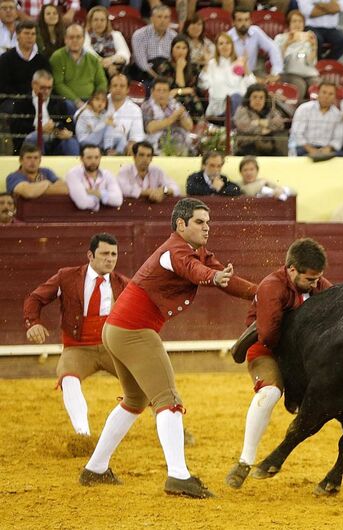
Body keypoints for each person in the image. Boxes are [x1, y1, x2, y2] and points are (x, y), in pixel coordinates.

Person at [79, 198, 257, 498]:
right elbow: (194, 270)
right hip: (134, 330)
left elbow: (224, 280)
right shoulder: (175, 250)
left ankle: (95, 468)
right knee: (168, 398)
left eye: (208, 222)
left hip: (118, 329)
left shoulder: (194, 250)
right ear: (181, 224)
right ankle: (178, 475)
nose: (207, 227)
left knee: (134, 401)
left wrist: (260, 294)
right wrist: (213, 276)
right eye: (200, 222)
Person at [225, 237, 343, 490]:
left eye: (317, 278)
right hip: (268, 351)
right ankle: (244, 461)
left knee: (339, 398)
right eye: (309, 279)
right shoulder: (271, 287)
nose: (314, 283)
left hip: (305, 356)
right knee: (269, 391)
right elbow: (268, 335)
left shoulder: (319, 285)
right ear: (291, 269)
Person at [23, 233, 129, 454]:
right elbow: (35, 298)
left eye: (114, 254)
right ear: (90, 255)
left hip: (113, 348)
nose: (110, 259)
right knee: (68, 378)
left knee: (146, 378)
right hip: (78, 348)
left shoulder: (123, 284)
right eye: (104, 254)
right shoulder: (67, 277)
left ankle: (169, 422)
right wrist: (33, 322)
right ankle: (83, 436)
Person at [11, 69, 78, 155]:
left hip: (55, 140)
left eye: (49, 88)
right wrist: (40, 130)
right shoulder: (22, 102)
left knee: (71, 142)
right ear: (33, 84)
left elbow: (68, 120)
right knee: (35, 137)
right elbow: (16, 127)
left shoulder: (58, 102)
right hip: (31, 140)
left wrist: (67, 131)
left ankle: (75, 167)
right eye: (42, 88)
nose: (46, 91)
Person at [50, 24, 107, 112]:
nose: (75, 40)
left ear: (83, 39)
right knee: (70, 108)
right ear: (65, 39)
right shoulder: (57, 57)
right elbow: (58, 84)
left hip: (90, 100)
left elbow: (102, 82)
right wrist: (77, 101)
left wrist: (96, 100)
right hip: (67, 101)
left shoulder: (93, 59)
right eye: (71, 37)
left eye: (78, 37)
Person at [200, 32, 257, 118]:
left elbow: (252, 85)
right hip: (219, 108)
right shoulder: (212, 64)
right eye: (221, 44)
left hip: (239, 106)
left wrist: (245, 66)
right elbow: (203, 85)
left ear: (232, 46)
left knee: (236, 97)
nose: (225, 46)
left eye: (227, 43)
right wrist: (206, 64)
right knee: (234, 98)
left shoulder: (240, 62)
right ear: (217, 47)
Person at [152, 35, 204, 119]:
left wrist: (177, 91)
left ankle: (199, 124)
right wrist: (179, 69)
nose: (181, 51)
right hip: (168, 99)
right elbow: (168, 89)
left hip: (187, 98)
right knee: (184, 99)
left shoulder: (194, 68)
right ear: (172, 49)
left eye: (184, 48)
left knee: (189, 98)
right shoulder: (164, 67)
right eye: (178, 47)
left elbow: (193, 89)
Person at [141, 77, 195, 156]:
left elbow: (189, 126)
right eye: (158, 90)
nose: (161, 93)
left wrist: (182, 118)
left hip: (180, 139)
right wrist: (174, 117)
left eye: (165, 91)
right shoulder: (147, 106)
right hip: (157, 142)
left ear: (169, 92)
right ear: (152, 92)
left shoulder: (175, 105)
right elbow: (151, 128)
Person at [0, 20, 51, 101]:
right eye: (26, 33)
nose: (30, 37)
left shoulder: (42, 60)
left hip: (37, 100)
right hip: (12, 100)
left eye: (33, 34)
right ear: (17, 36)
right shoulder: (6, 58)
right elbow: (3, 85)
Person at [289, 80, 343, 156]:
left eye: (330, 94)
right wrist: (311, 150)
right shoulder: (304, 109)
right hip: (304, 148)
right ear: (318, 93)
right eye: (324, 92)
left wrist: (328, 149)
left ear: (334, 96)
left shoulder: (338, 114)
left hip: (326, 150)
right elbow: (296, 134)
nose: (326, 96)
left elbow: (338, 138)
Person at [228, 7, 283, 81]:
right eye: (239, 20)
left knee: (269, 83)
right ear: (233, 22)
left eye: (246, 20)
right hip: (233, 74)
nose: (243, 24)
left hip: (253, 72)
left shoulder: (255, 31)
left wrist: (276, 72)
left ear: (250, 21)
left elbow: (273, 48)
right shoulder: (228, 37)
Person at [274, 9, 318, 100]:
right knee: (299, 84)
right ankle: (294, 112)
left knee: (317, 83)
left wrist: (314, 47)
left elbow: (311, 63)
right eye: (294, 21)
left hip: (307, 73)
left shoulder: (309, 37)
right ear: (288, 24)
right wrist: (287, 45)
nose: (297, 24)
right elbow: (278, 62)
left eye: (300, 21)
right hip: (287, 73)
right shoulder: (280, 38)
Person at [117, 141, 181, 202]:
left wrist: (163, 190)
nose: (145, 159)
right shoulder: (125, 171)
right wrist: (147, 192)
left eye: (148, 156)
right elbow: (123, 189)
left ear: (151, 158)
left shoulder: (157, 171)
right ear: (134, 157)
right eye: (141, 155)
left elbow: (175, 188)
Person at [65, 144, 123, 211]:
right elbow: (82, 203)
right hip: (79, 218)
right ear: (81, 159)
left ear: (100, 158)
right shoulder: (73, 174)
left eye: (96, 157)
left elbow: (118, 200)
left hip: (105, 219)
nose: (93, 161)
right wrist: (102, 199)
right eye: (89, 157)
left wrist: (95, 193)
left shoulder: (108, 174)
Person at [233, 83, 286, 156]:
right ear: (248, 98)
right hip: (248, 145)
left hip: (269, 145)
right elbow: (246, 127)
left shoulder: (271, 110)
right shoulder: (242, 110)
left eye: (261, 97)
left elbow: (280, 124)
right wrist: (265, 129)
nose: (258, 100)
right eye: (254, 97)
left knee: (281, 155)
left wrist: (258, 122)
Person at [130, 5, 177, 84]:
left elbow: (175, 60)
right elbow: (142, 64)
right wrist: (158, 79)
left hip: (167, 73)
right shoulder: (139, 35)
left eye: (166, 17)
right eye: (159, 17)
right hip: (146, 74)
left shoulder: (174, 36)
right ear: (152, 19)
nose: (163, 20)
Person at [82, 6, 130, 79]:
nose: (99, 23)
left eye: (102, 20)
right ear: (90, 22)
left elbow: (125, 55)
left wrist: (111, 61)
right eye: (96, 20)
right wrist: (103, 62)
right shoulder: (84, 35)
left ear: (107, 22)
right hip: (92, 73)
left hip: (115, 71)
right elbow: (87, 52)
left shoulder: (116, 35)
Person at [75, 90, 128, 155]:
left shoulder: (103, 114)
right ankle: (108, 149)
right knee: (108, 125)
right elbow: (94, 129)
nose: (100, 103)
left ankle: (117, 154)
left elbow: (113, 129)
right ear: (92, 101)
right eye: (97, 99)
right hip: (85, 140)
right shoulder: (86, 113)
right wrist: (107, 123)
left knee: (121, 137)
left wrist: (113, 125)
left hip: (98, 140)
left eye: (103, 101)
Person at [106, 73, 146, 156]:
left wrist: (131, 144)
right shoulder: (98, 101)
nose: (118, 89)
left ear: (128, 89)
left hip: (122, 149)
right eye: (115, 85)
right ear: (109, 88)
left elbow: (137, 136)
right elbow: (80, 116)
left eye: (122, 86)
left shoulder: (135, 110)